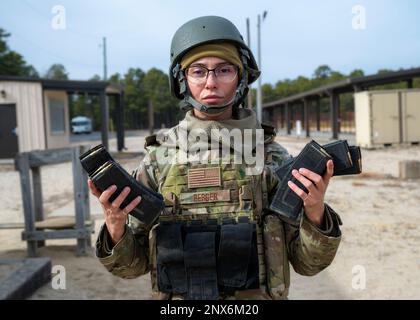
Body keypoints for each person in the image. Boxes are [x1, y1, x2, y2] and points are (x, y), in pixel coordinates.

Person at [89, 15, 342, 300]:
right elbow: (130, 268)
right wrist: (115, 225)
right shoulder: (159, 160)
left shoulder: (271, 157)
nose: (210, 82)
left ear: (241, 77)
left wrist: (315, 212)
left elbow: (307, 263)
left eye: (223, 70)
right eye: (198, 71)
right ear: (182, 80)